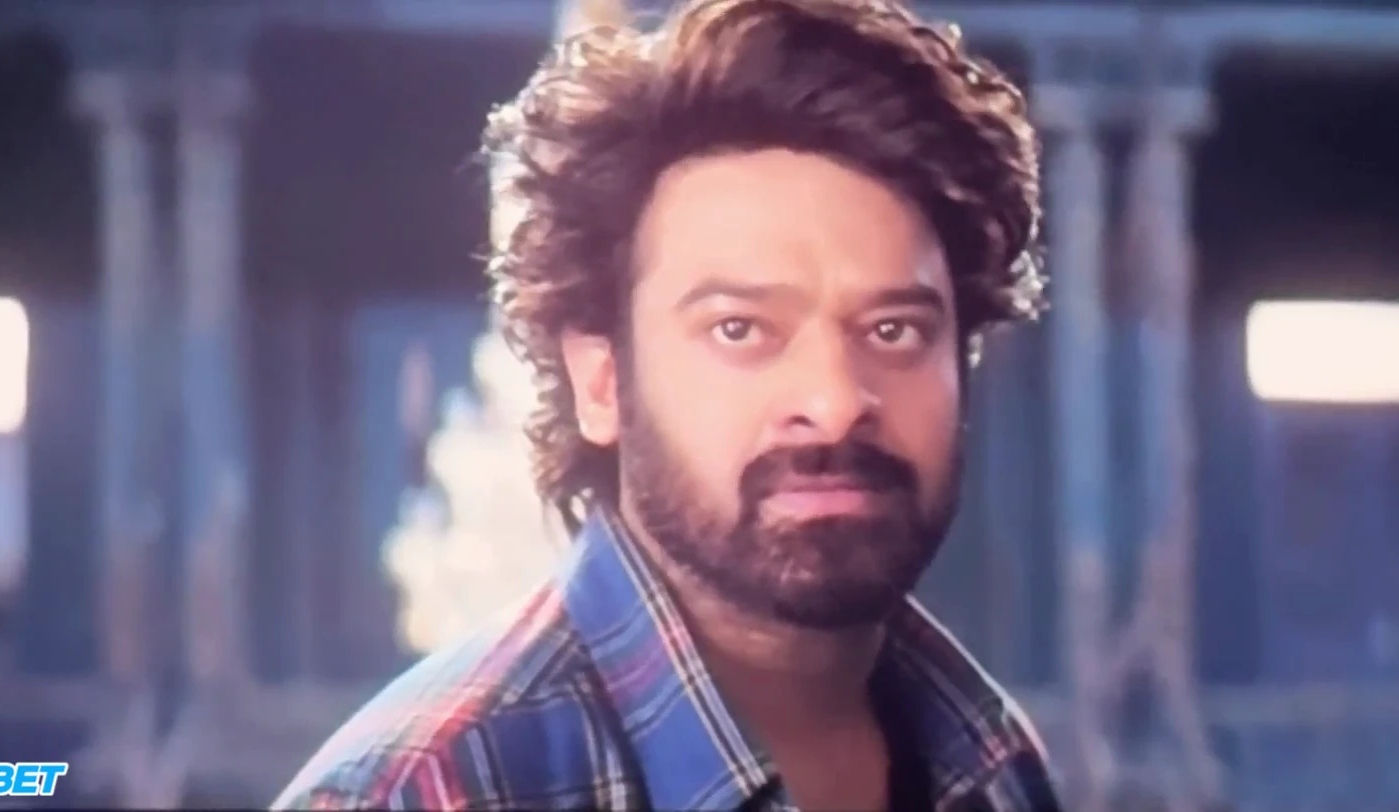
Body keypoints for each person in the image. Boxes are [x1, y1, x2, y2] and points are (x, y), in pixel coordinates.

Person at [273, 0, 1058, 808]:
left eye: (894, 330)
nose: (834, 401)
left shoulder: (993, 766)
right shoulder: (428, 792)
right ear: (601, 381)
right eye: (740, 329)